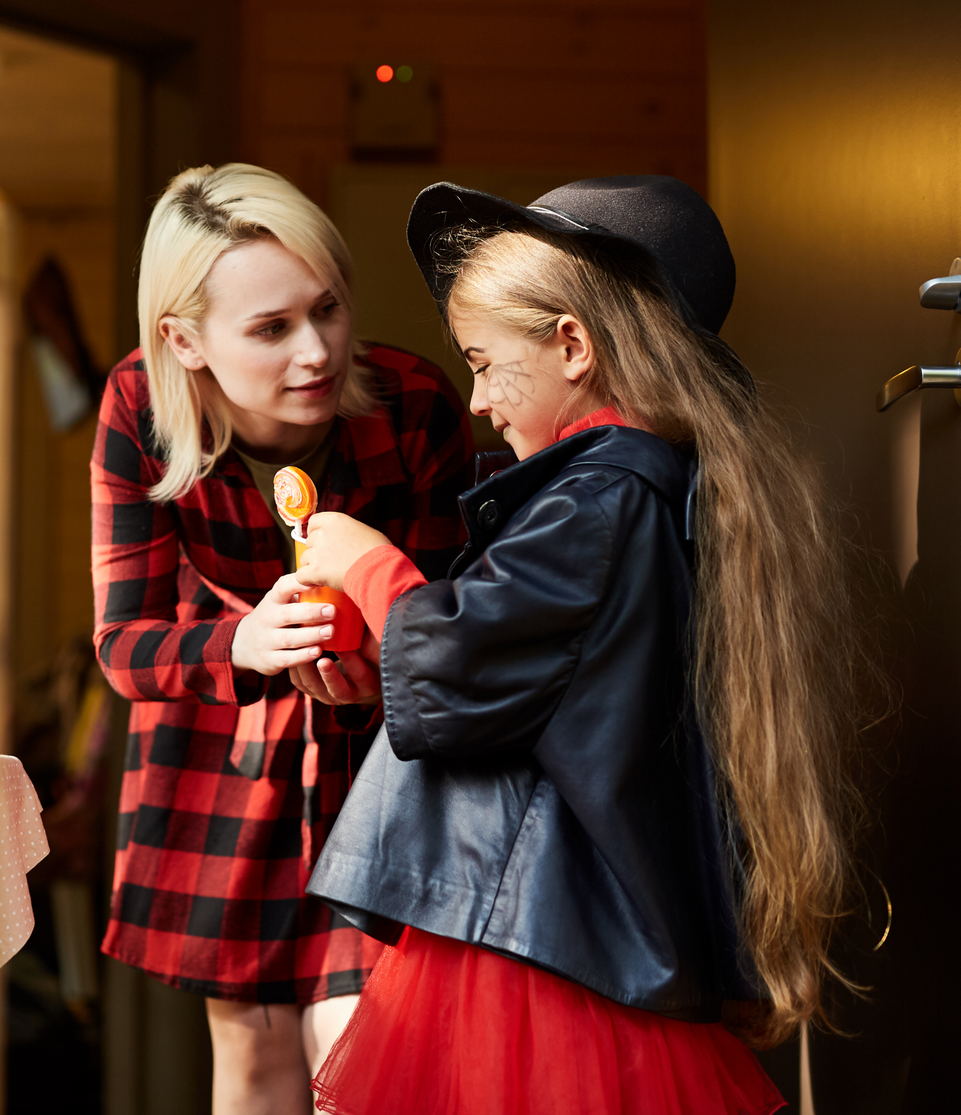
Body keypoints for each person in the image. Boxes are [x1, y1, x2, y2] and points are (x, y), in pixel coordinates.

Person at [295, 176, 878, 1114]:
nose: (477, 399)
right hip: (571, 916)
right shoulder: (632, 488)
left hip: (539, 931)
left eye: (484, 363)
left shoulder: (599, 498)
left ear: (572, 344)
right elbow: (540, 672)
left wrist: (370, 567)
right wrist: (382, 675)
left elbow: (461, 653)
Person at [90, 164, 473, 1114]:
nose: (317, 351)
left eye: (329, 309)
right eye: (271, 329)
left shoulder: (415, 405)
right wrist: (242, 647)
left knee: (358, 1049)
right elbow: (123, 644)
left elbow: (452, 628)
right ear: (185, 340)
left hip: (382, 755)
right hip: (222, 745)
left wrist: (372, 671)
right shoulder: (140, 408)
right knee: (253, 1057)